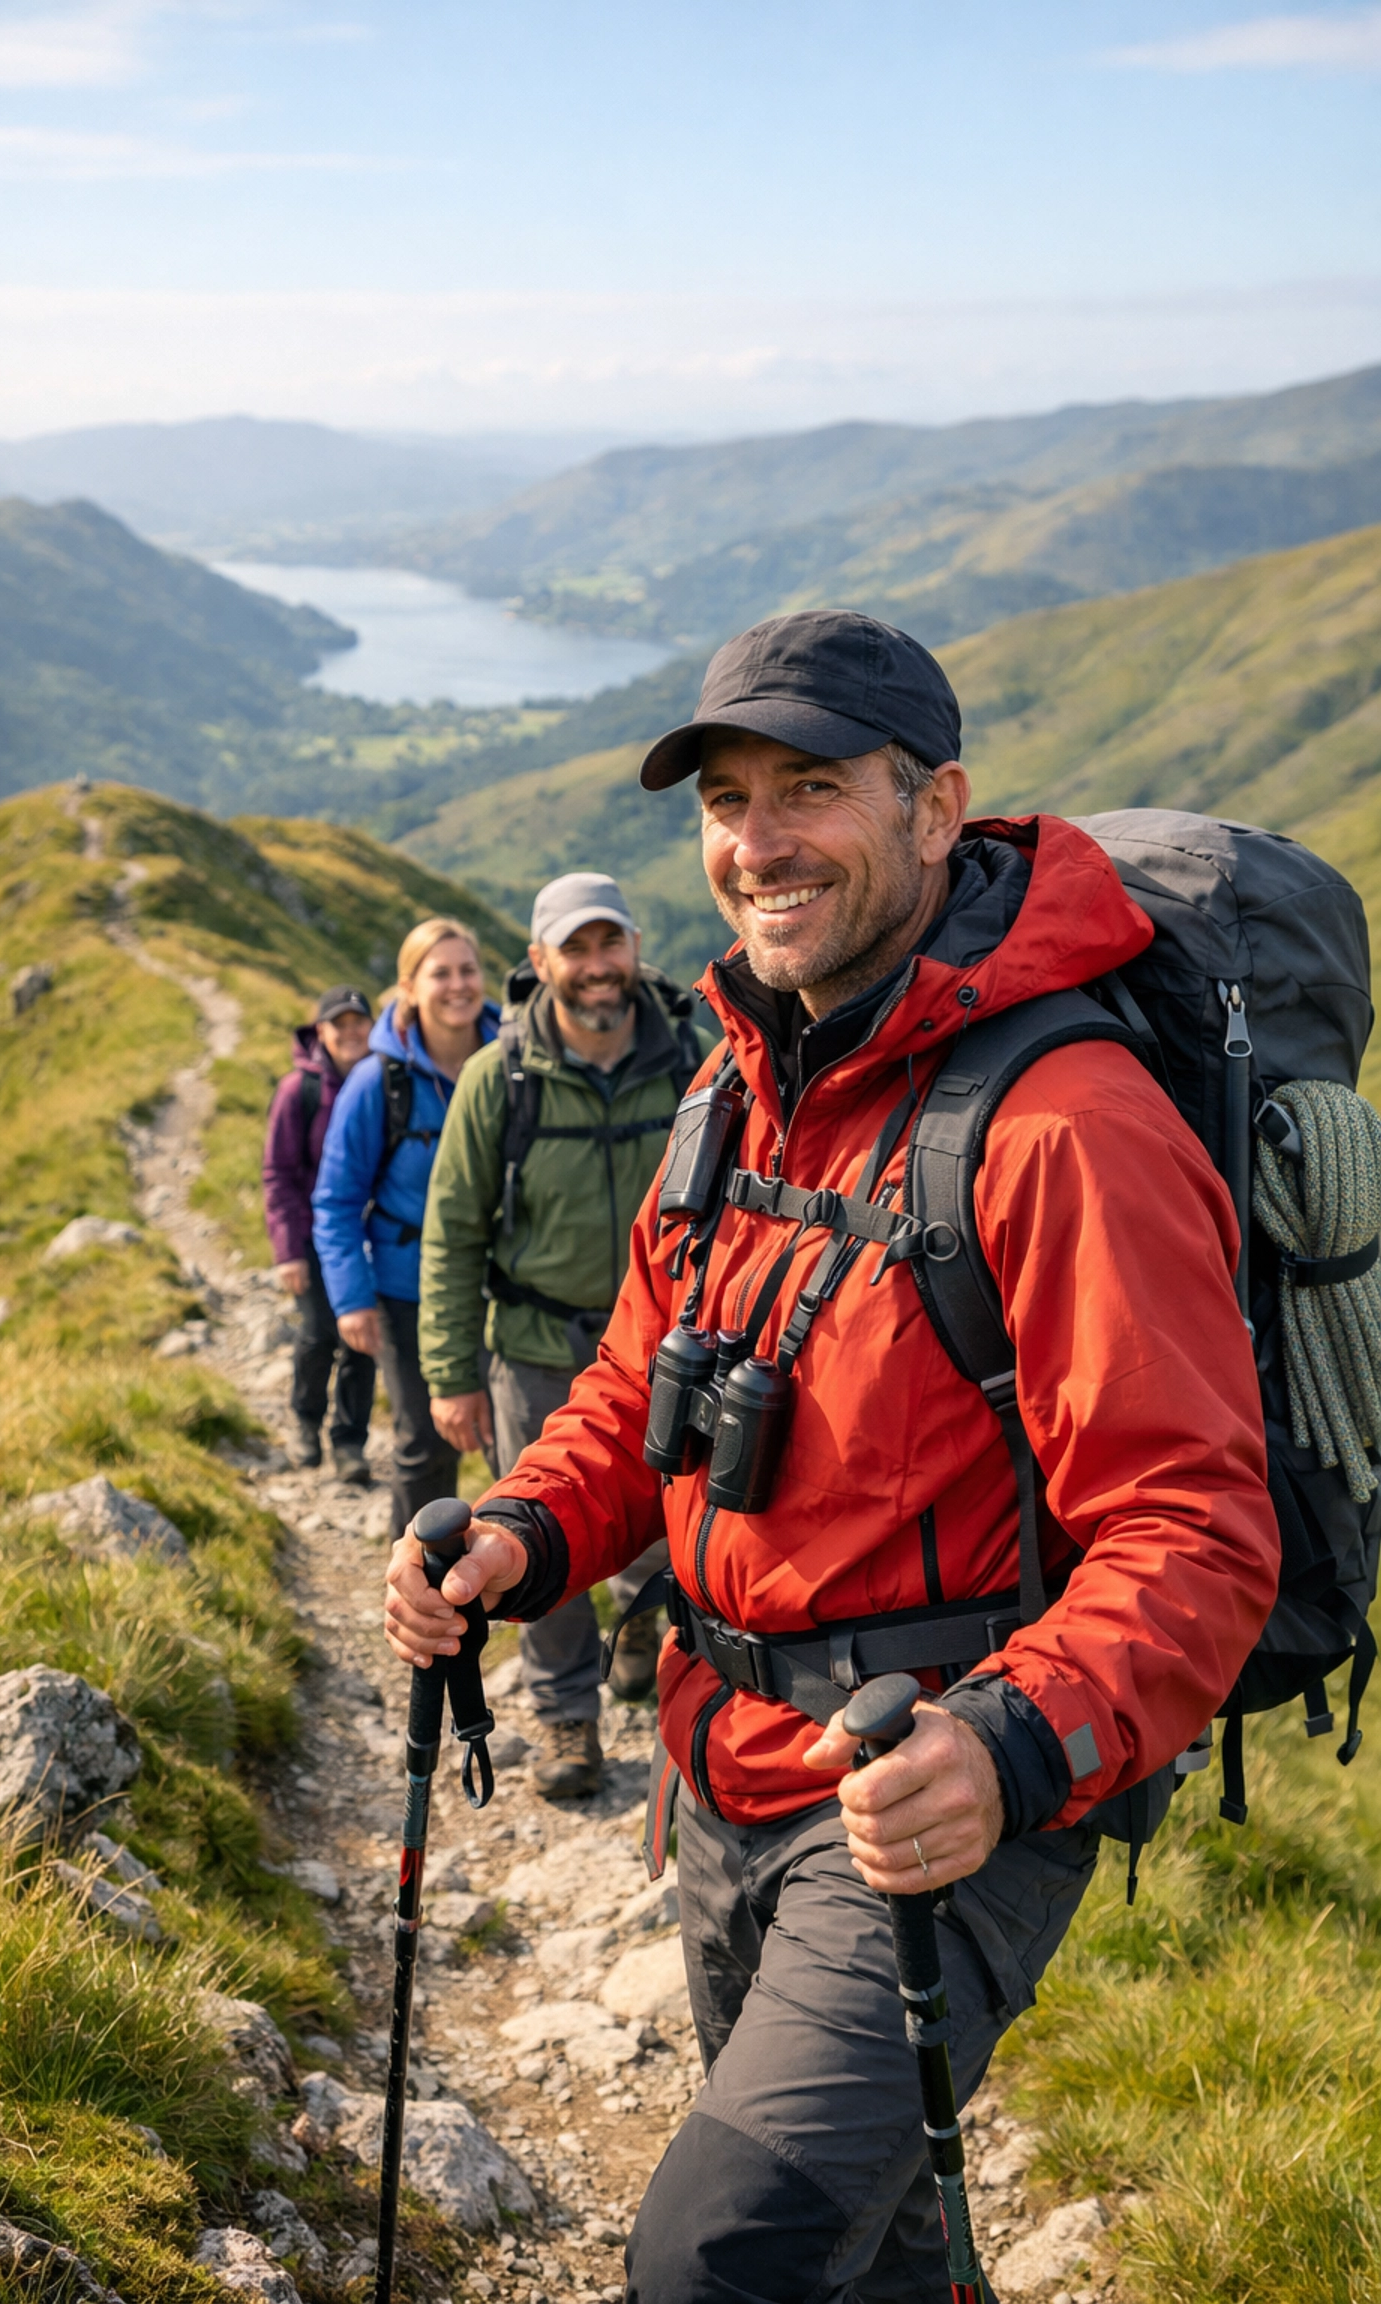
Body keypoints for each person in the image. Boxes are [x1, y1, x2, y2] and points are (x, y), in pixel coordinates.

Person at [383, 610, 1281, 2301]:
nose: (755, 842)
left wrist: (1004, 1742)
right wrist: (517, 1530)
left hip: (933, 1799)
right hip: (721, 1767)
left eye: (810, 787)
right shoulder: (736, 1080)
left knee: (713, 2256)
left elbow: (1196, 1530)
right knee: (873, 2248)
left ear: (936, 805)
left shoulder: (1060, 1120)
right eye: (726, 798)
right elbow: (639, 1384)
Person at [420, 872, 714, 1800]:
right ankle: (565, 1722)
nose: (596, 968)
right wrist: (450, 1373)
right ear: (540, 962)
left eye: (610, 944)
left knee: (661, 1530)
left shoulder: (694, 1061)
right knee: (535, 1528)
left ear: (635, 948)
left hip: (670, 1346)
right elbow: (454, 1229)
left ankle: (636, 1648)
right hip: (538, 1349)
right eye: (574, 950)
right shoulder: (496, 1078)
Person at [314, 919, 498, 1539]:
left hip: (508, 1286)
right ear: (409, 987)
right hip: (406, 1290)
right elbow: (336, 1200)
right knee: (425, 1444)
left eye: (467, 970)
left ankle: (520, 1585)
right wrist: (352, 1300)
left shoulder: (519, 1061)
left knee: (521, 1447)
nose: (457, 985)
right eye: (439, 973)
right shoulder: (378, 1082)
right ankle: (419, 1591)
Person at [261, 986, 377, 1481]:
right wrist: (289, 1251)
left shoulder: (384, 1082)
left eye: (359, 1022)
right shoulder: (299, 1090)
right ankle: (305, 1422)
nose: (350, 1032)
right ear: (321, 1031)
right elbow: (279, 1174)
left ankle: (350, 1442)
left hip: (373, 1236)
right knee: (317, 1333)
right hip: (314, 1236)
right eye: (340, 1023)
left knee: (364, 1341)